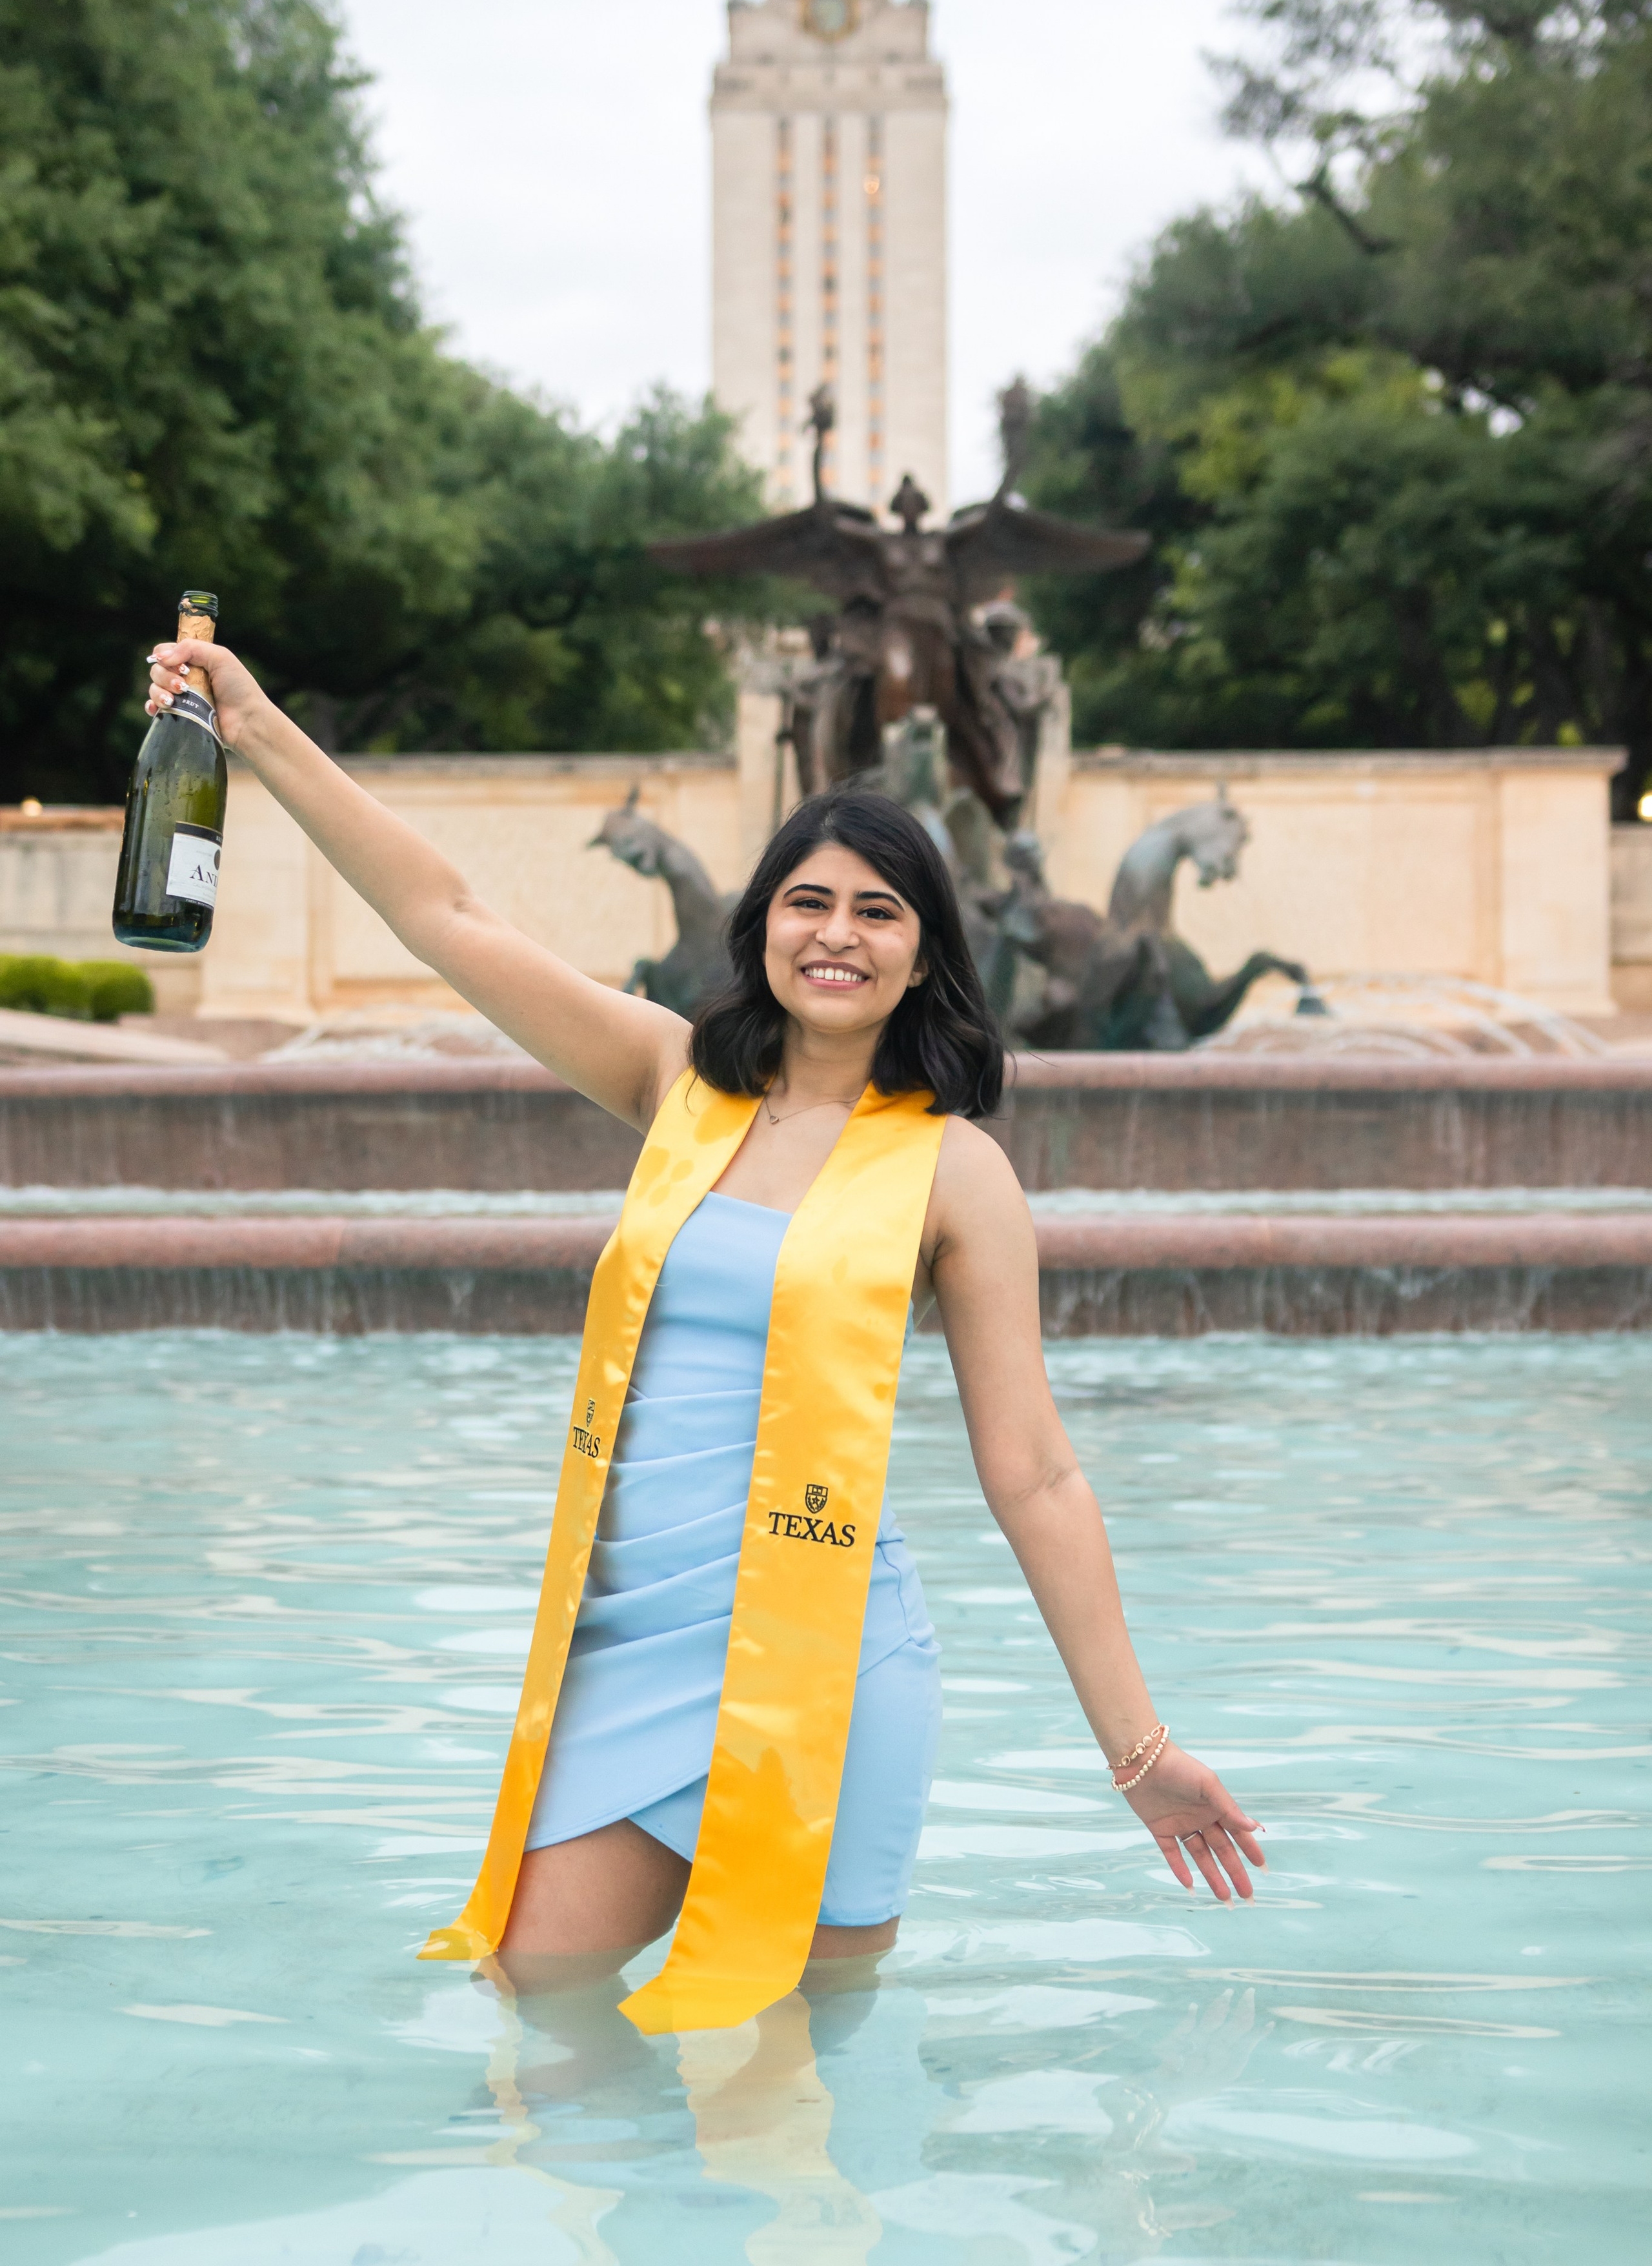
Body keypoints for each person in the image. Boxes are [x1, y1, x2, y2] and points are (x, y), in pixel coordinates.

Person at [144, 638, 1264, 2016]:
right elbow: (448, 915)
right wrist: (255, 732)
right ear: (761, 927)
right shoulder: (676, 1080)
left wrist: (1136, 1748)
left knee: (793, 2086)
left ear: (923, 957)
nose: (836, 934)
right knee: (534, 2017)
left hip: (824, 1663)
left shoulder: (954, 1170)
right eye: (807, 901)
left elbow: (1032, 1470)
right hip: (633, 1639)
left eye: (876, 911)